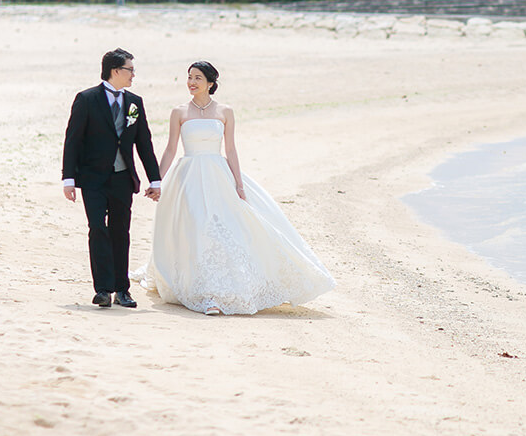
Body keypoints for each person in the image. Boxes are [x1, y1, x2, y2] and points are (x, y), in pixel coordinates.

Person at [133, 61, 334, 315]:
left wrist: (238, 184)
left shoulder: (225, 111)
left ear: (210, 83)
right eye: (189, 77)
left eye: (197, 78)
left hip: (218, 175)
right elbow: (171, 148)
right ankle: (204, 290)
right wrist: (157, 181)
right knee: (196, 226)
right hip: (188, 177)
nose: (191, 82)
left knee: (223, 228)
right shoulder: (179, 112)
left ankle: (219, 291)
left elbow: (230, 149)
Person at [62, 48, 162, 308]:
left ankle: (122, 290)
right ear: (115, 71)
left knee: (121, 232)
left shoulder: (134, 102)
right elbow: (73, 140)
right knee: (97, 228)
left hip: (122, 178)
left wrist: (155, 179)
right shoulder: (86, 99)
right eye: (130, 69)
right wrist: (68, 178)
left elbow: (144, 143)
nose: (133, 75)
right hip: (93, 179)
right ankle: (103, 289)